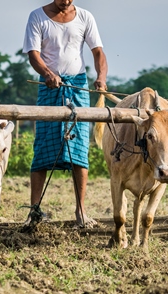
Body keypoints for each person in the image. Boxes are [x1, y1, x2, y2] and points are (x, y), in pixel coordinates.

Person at [22, 0, 108, 228]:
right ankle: (34, 212)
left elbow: (98, 52)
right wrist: (48, 73)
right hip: (49, 87)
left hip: (78, 88)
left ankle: (81, 211)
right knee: (42, 148)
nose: (66, 2)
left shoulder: (85, 17)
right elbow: (33, 54)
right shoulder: (37, 17)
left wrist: (101, 77)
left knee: (79, 149)